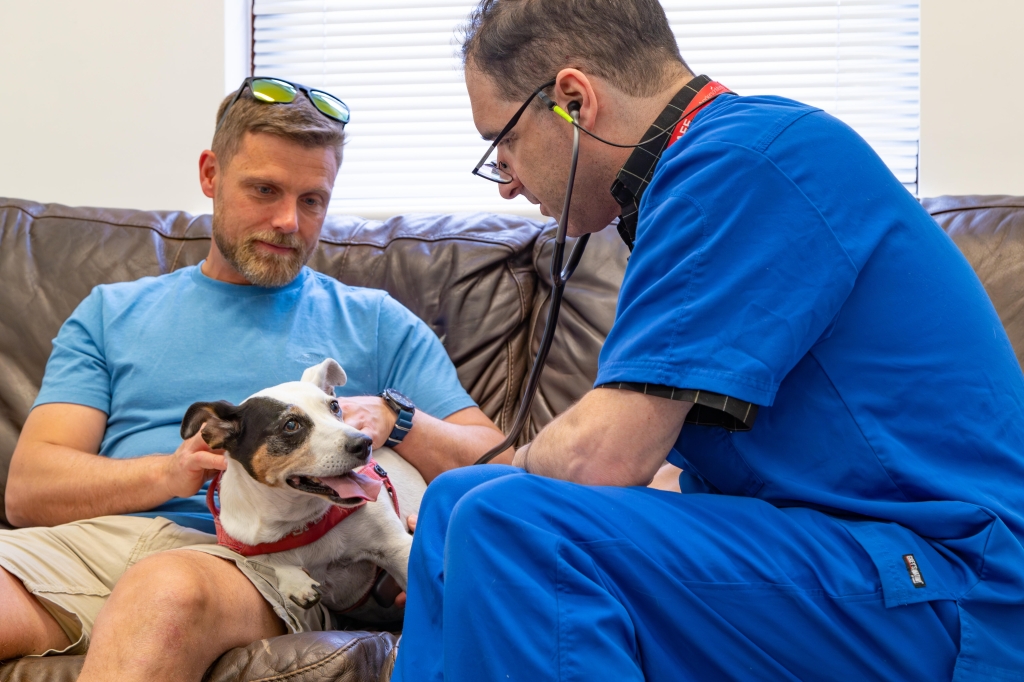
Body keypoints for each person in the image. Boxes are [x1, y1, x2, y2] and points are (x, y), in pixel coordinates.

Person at [392, 1, 1024, 680]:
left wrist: (515, 480)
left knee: (508, 522)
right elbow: (678, 473)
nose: (509, 182)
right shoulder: (704, 173)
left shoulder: (746, 163)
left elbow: (602, 459)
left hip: (952, 582)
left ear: (574, 101)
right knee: (460, 502)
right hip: (857, 560)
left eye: (504, 143)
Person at [0, 77, 507, 681]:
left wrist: (401, 423)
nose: (289, 221)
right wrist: (169, 472)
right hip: (100, 542)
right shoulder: (112, 311)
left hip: (268, 562)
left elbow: (497, 464)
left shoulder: (376, 321)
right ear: (211, 175)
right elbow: (29, 489)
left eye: (313, 199)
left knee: (166, 588)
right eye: (264, 190)